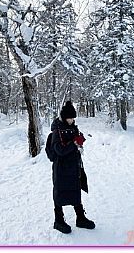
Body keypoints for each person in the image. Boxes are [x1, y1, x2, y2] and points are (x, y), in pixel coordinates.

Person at [50, 100, 95, 234]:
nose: (71, 120)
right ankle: (58, 220)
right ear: (64, 117)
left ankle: (80, 218)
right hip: (61, 168)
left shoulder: (74, 127)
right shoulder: (56, 130)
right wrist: (74, 143)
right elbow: (59, 150)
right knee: (60, 192)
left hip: (74, 166)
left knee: (75, 191)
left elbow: (76, 142)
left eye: (73, 118)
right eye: (69, 118)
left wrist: (80, 141)